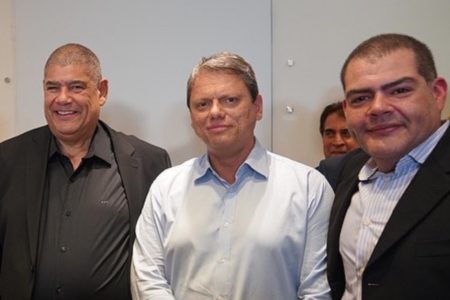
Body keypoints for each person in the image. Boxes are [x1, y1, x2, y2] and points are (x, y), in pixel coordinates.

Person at [131, 52, 333, 299]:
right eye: (202, 104)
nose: (215, 112)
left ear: (257, 107)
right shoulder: (165, 188)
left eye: (229, 100)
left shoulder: (308, 187)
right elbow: (148, 278)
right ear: (192, 117)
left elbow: (317, 290)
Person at [0, 43, 171, 300]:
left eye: (76, 87)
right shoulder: (7, 160)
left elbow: (160, 263)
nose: (63, 98)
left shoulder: (149, 163)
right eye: (52, 87)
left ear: (101, 92)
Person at [327, 33, 450, 300]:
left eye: (399, 90)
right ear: (346, 109)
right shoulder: (341, 173)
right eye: (361, 98)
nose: (378, 108)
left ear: (437, 93)